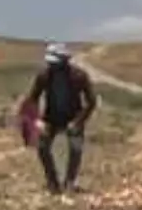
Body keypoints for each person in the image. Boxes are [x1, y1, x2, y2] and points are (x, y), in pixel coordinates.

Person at [17, 43, 98, 194]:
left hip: (74, 117)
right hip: (51, 118)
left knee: (75, 149)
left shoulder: (79, 76)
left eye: (56, 63)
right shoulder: (44, 75)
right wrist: (37, 121)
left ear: (65, 61)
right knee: (42, 147)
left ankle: (69, 182)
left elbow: (92, 102)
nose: (52, 66)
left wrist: (78, 122)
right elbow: (32, 99)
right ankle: (53, 183)